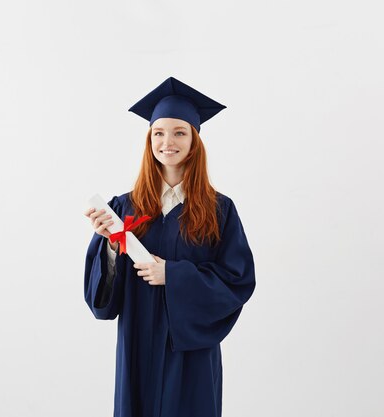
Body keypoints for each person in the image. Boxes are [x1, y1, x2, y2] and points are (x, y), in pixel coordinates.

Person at [83, 76, 256, 417]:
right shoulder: (124, 209)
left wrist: (173, 275)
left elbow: (238, 282)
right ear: (149, 140)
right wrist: (113, 249)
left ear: (194, 140)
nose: (168, 142)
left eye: (180, 132)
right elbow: (101, 304)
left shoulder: (220, 210)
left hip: (190, 354)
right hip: (138, 348)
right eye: (159, 133)